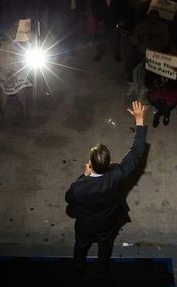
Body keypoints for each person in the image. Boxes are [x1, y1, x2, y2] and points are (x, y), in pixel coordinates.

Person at [65, 100, 147, 274]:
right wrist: (139, 120)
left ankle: (78, 268)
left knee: (80, 246)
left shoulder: (79, 188)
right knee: (105, 247)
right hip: (108, 223)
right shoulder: (118, 173)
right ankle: (103, 270)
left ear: (90, 164)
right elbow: (137, 152)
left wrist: (84, 175)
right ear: (109, 163)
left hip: (86, 225)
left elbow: (69, 199)